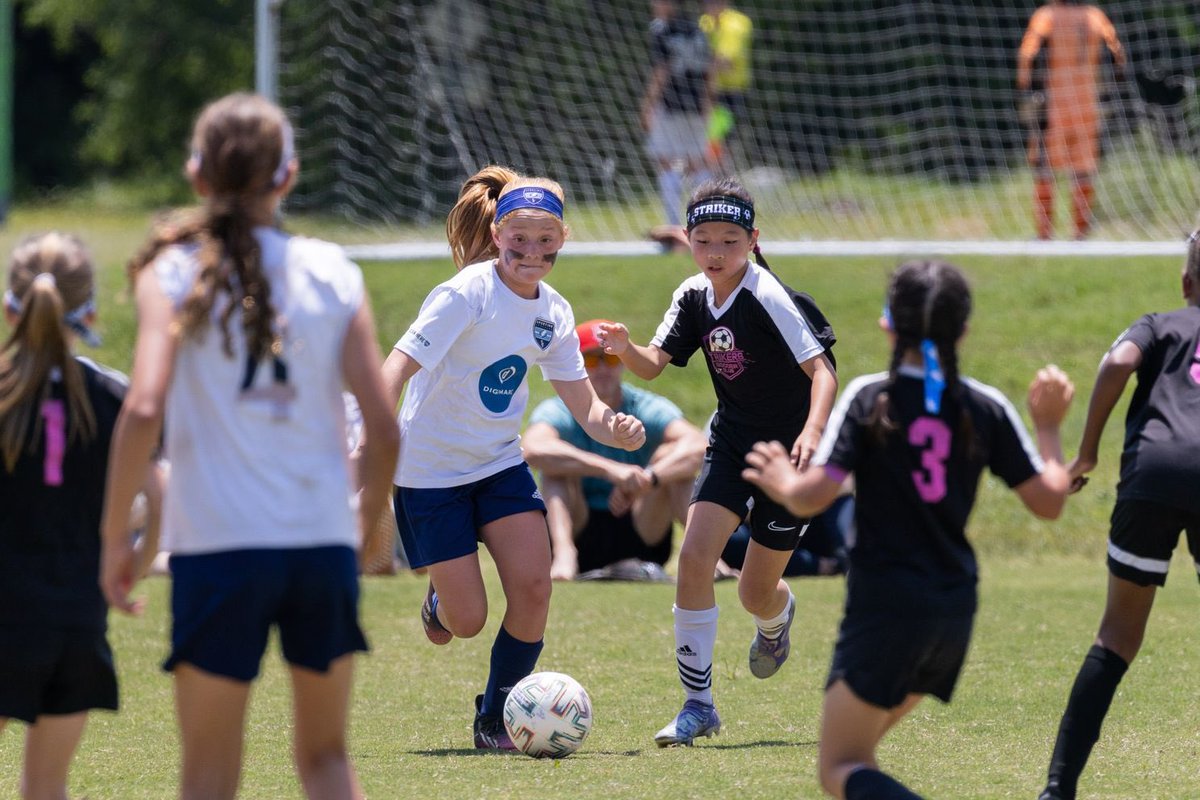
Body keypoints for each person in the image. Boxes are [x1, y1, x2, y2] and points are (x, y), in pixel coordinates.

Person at [99, 92, 399, 800]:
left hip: (218, 550)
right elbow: (386, 429)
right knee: (326, 760)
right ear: (288, 177)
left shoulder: (168, 272)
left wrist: (114, 535)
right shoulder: (333, 270)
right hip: (319, 545)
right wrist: (364, 522)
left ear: (196, 174)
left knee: (209, 774)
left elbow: (142, 408)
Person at [741, 259, 1073, 799]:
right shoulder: (985, 404)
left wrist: (780, 480)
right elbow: (1051, 502)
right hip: (952, 608)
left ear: (887, 324)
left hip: (886, 606)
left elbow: (812, 496)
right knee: (861, 757)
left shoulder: (873, 398)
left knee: (840, 769)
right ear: (963, 329)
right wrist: (1050, 428)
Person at [379, 165, 646, 750]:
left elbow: (586, 407)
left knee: (533, 589)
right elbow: (399, 364)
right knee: (465, 622)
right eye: (519, 239)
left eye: (545, 240)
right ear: (497, 235)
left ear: (563, 240)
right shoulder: (465, 293)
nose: (532, 252)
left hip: (498, 463)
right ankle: (441, 603)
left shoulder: (553, 310)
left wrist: (616, 427)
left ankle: (496, 718)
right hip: (429, 471)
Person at [596, 176, 838, 746]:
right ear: (687, 239)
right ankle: (698, 706)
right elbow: (655, 364)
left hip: (786, 454)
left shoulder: (769, 296)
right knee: (694, 558)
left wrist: (812, 430)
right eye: (704, 239)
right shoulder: (691, 296)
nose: (716, 252)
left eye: (730, 240)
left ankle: (776, 618)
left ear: (753, 240)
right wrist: (625, 348)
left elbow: (822, 371)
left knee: (755, 593)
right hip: (730, 442)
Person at [1036, 233, 1200, 800]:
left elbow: (1118, 361)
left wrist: (1086, 452)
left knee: (1118, 635)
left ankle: (1058, 789)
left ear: (1186, 282)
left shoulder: (1158, 324)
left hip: (1152, 472)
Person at [0, 232, 159, 800]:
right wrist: (132, 564)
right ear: (89, 310)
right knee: (45, 788)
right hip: (75, 618)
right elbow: (159, 493)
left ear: (8, 307)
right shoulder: (115, 397)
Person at [523, 318, 708, 582]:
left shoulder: (644, 406)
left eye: (609, 359)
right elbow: (532, 448)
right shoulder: (559, 409)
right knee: (555, 470)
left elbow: (698, 445)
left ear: (622, 362)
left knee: (672, 463)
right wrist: (612, 471)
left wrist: (648, 477)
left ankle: (707, 559)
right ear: (576, 365)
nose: (601, 369)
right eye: (590, 360)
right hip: (581, 528)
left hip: (643, 526)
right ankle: (564, 554)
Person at [1017, 0, 1125, 241]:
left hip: (1053, 105)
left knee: (1044, 169)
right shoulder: (1096, 16)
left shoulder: (1046, 16)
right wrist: (1108, 91)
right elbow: (1116, 55)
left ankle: (1044, 235)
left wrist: (1027, 89)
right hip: (1087, 105)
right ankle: (1080, 234)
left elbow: (1029, 54)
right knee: (1084, 170)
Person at [643, 0, 716, 249]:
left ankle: (674, 229)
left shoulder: (661, 30)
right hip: (696, 105)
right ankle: (706, 222)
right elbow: (709, 71)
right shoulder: (698, 30)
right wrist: (707, 105)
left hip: (671, 104)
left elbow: (661, 71)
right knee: (696, 163)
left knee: (666, 162)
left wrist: (648, 105)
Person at [699, 0, 753, 168]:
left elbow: (725, 61)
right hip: (707, 90)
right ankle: (712, 176)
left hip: (730, 93)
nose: (711, 5)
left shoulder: (737, 23)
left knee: (719, 139)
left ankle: (720, 178)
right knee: (708, 139)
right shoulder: (703, 23)